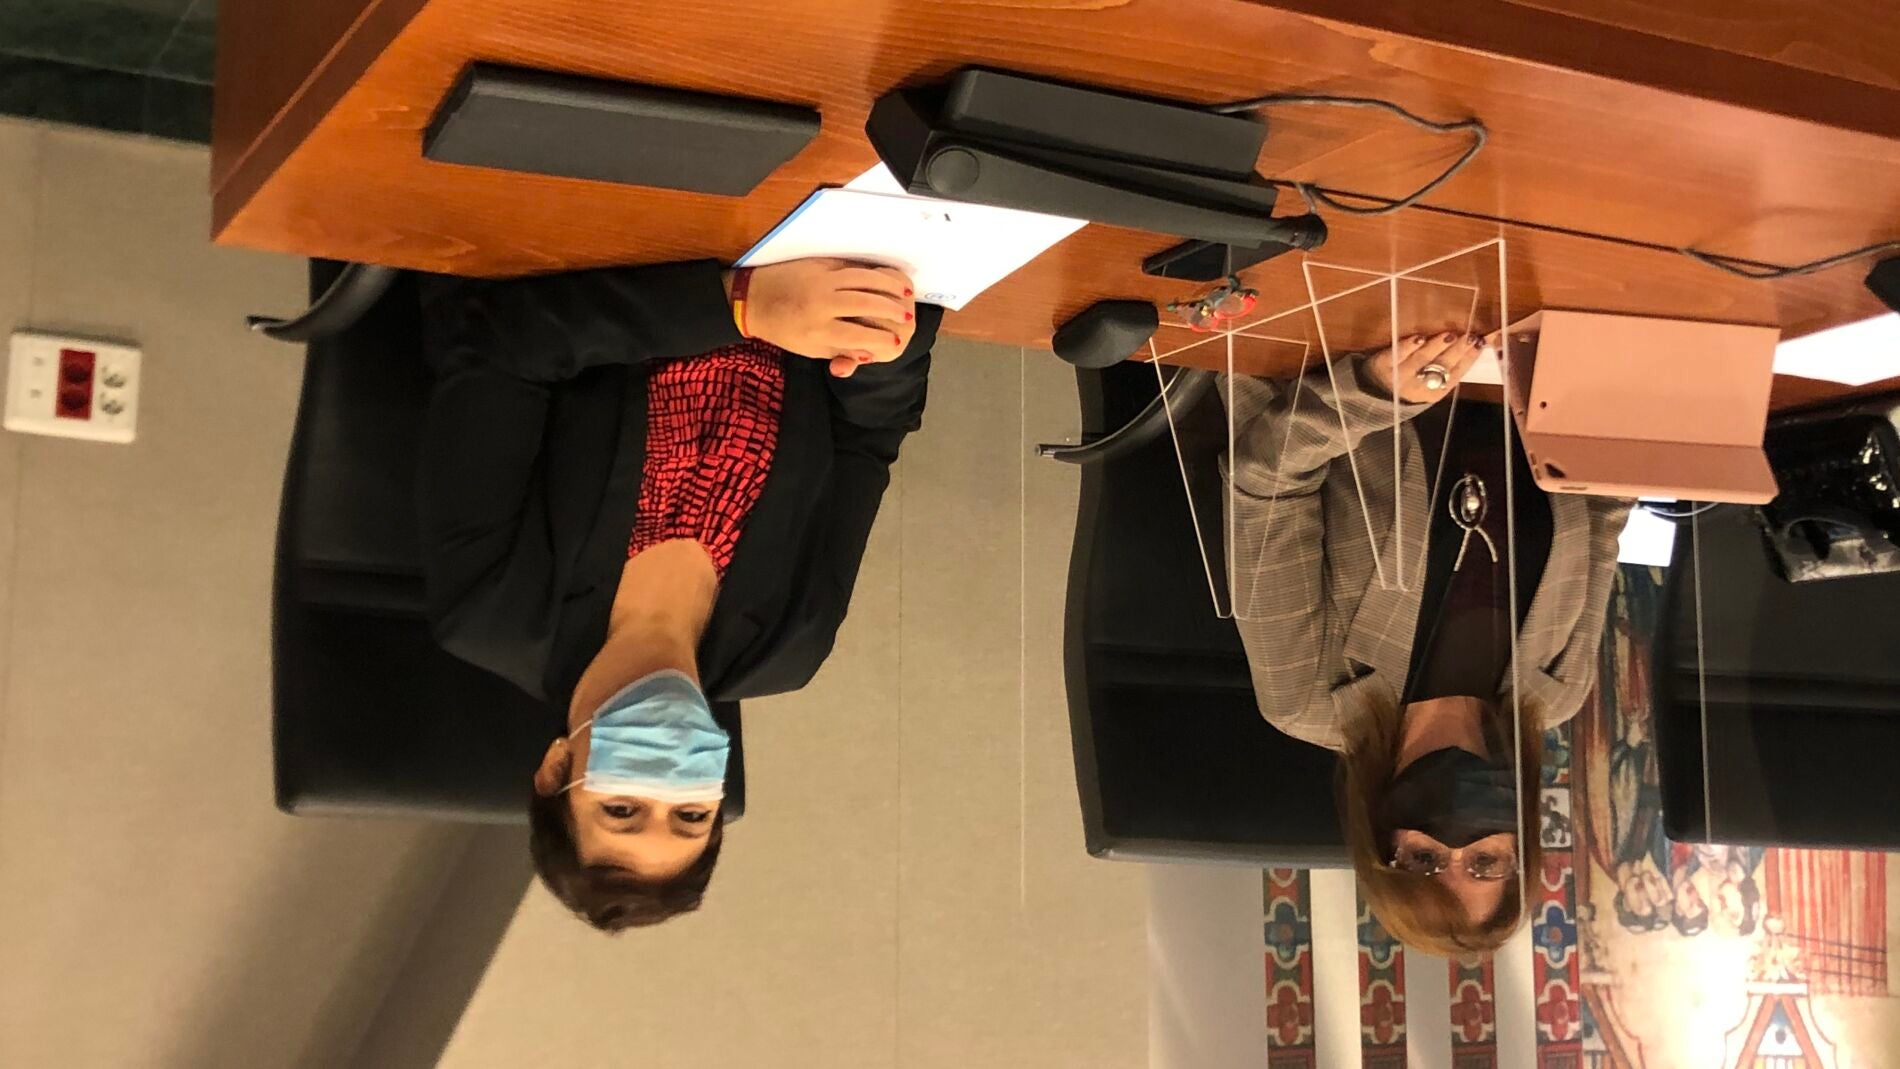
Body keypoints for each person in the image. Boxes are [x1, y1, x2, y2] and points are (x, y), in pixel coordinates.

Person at [417, 257, 940, 931]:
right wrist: (879, 329)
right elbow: (867, 434)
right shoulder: (788, 644)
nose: (662, 784)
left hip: (606, 232)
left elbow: (496, 341)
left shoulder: (492, 610)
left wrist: (743, 307)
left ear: (554, 769)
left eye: (622, 809)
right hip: (816, 248)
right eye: (690, 814)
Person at [1225, 332, 1632, 956]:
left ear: (1380, 840)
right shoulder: (1557, 690)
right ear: (1520, 846)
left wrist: (1375, 392)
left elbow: (1266, 479)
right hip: (1532, 359)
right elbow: (1603, 510)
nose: (1456, 841)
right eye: (1484, 864)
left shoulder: (1307, 697)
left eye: (1424, 860)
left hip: (1335, 345)